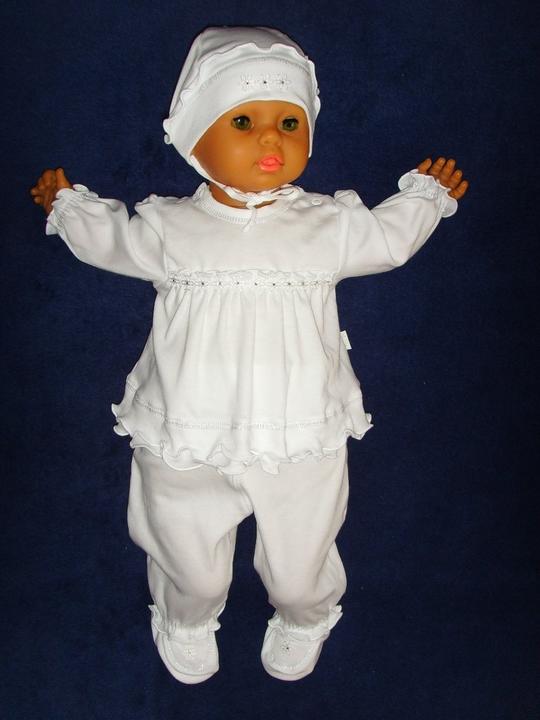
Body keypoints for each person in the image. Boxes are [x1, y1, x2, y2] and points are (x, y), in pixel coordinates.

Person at [30, 26, 468, 684]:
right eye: (243, 121)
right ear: (194, 138)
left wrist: (425, 198)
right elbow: (113, 240)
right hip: (188, 430)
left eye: (290, 123)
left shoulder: (328, 224)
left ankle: (304, 614)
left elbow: (388, 241)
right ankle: (185, 613)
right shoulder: (170, 227)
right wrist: (68, 208)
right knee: (189, 558)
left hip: (300, 433)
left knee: (299, 567)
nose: (271, 140)